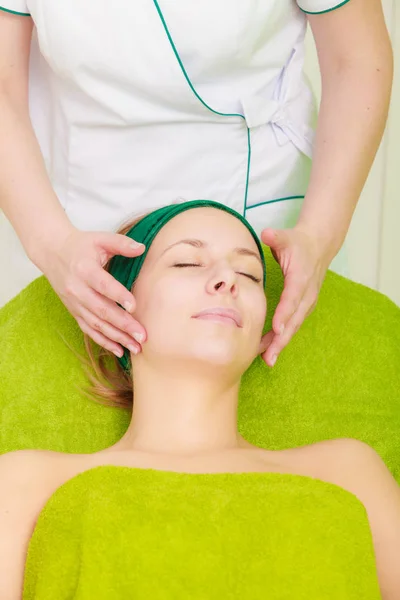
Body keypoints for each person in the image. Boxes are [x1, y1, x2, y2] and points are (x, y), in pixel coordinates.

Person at [1, 201, 399, 599]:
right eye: (187, 263)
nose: (228, 278)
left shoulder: (349, 471)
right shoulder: (27, 483)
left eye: (249, 274)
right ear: (112, 305)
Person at [0, 1, 393, 369]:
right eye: (186, 263)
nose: (219, 281)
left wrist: (320, 235)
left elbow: (355, 59)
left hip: (259, 195)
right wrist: (51, 243)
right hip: (70, 214)